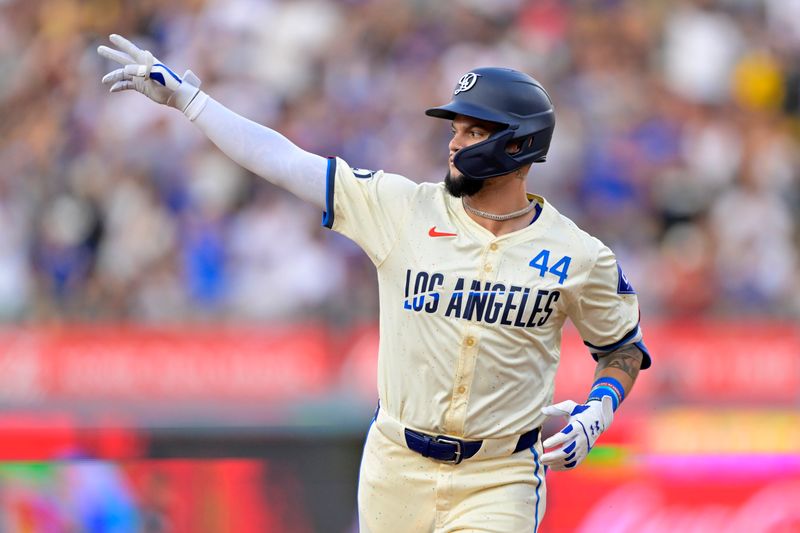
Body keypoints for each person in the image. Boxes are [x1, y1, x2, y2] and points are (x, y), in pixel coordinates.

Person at [98, 34, 651, 532]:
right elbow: (286, 162)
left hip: (498, 475)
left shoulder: (579, 254)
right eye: (455, 129)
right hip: (395, 467)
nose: (456, 143)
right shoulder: (401, 207)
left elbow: (622, 349)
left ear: (517, 145)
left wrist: (597, 413)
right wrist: (190, 102)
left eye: (474, 130)